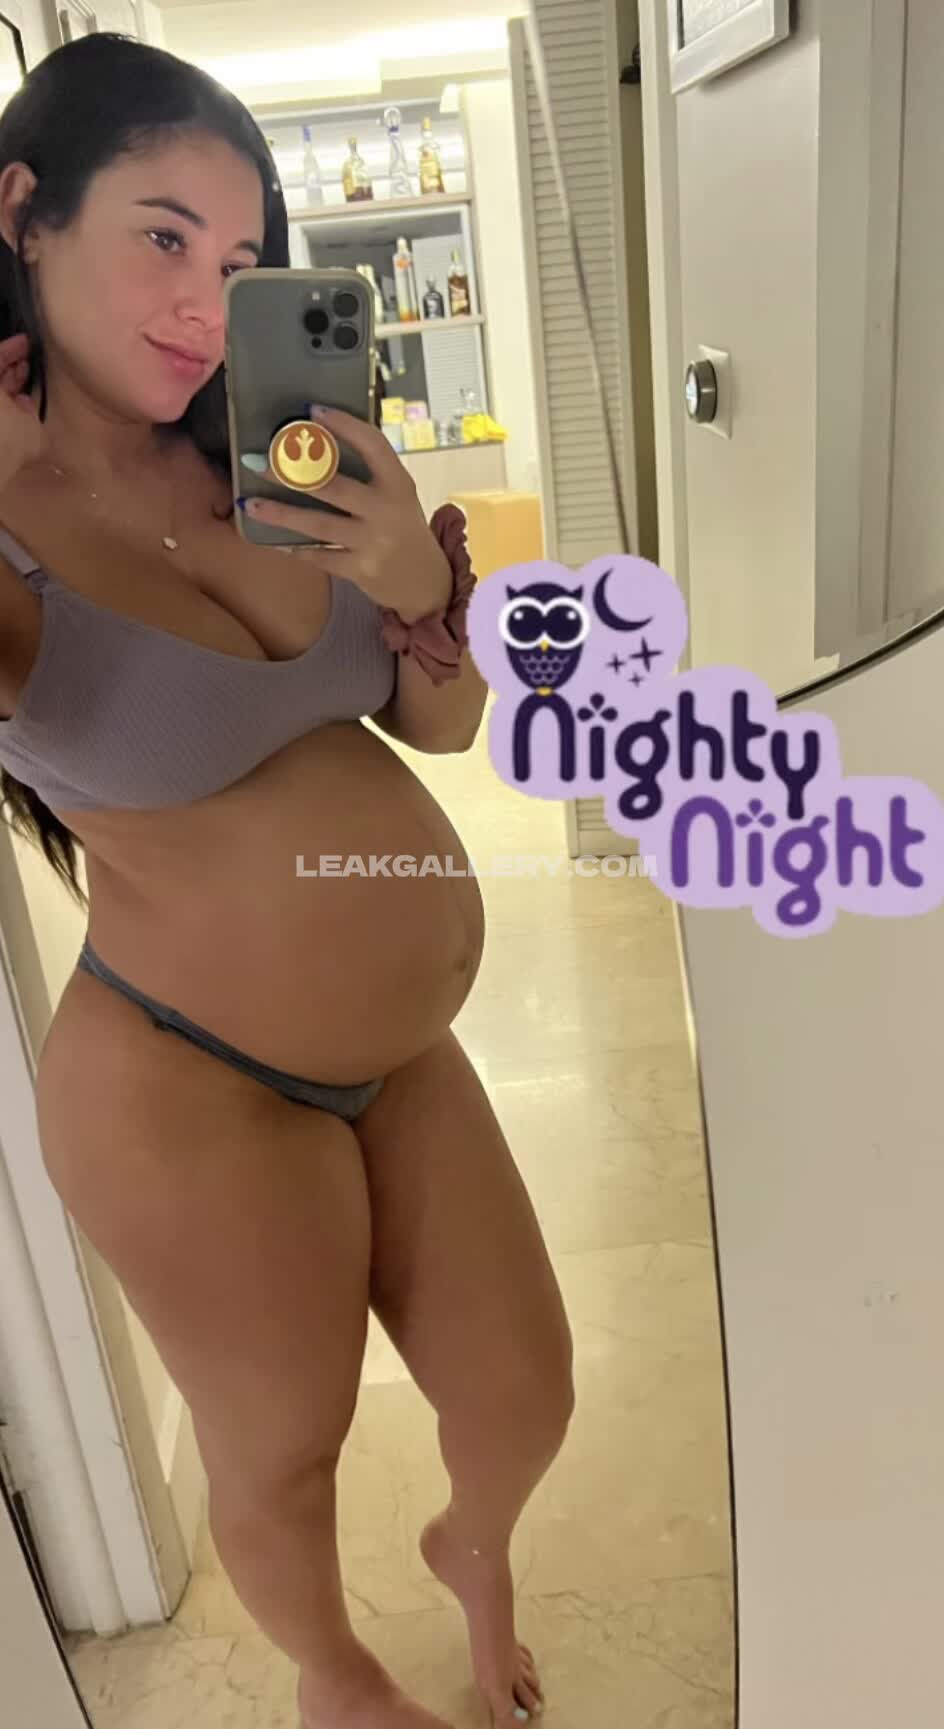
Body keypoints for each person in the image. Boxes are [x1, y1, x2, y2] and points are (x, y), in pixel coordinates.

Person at [0, 34, 575, 1729]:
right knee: (284, 1444)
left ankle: (472, 1544)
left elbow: (444, 728)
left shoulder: (291, 445)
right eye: (162, 236)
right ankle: (338, 1675)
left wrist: (415, 586)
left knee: (524, 1394)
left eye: (242, 257)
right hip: (186, 1082)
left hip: (404, 1052)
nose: (206, 300)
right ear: (24, 213)